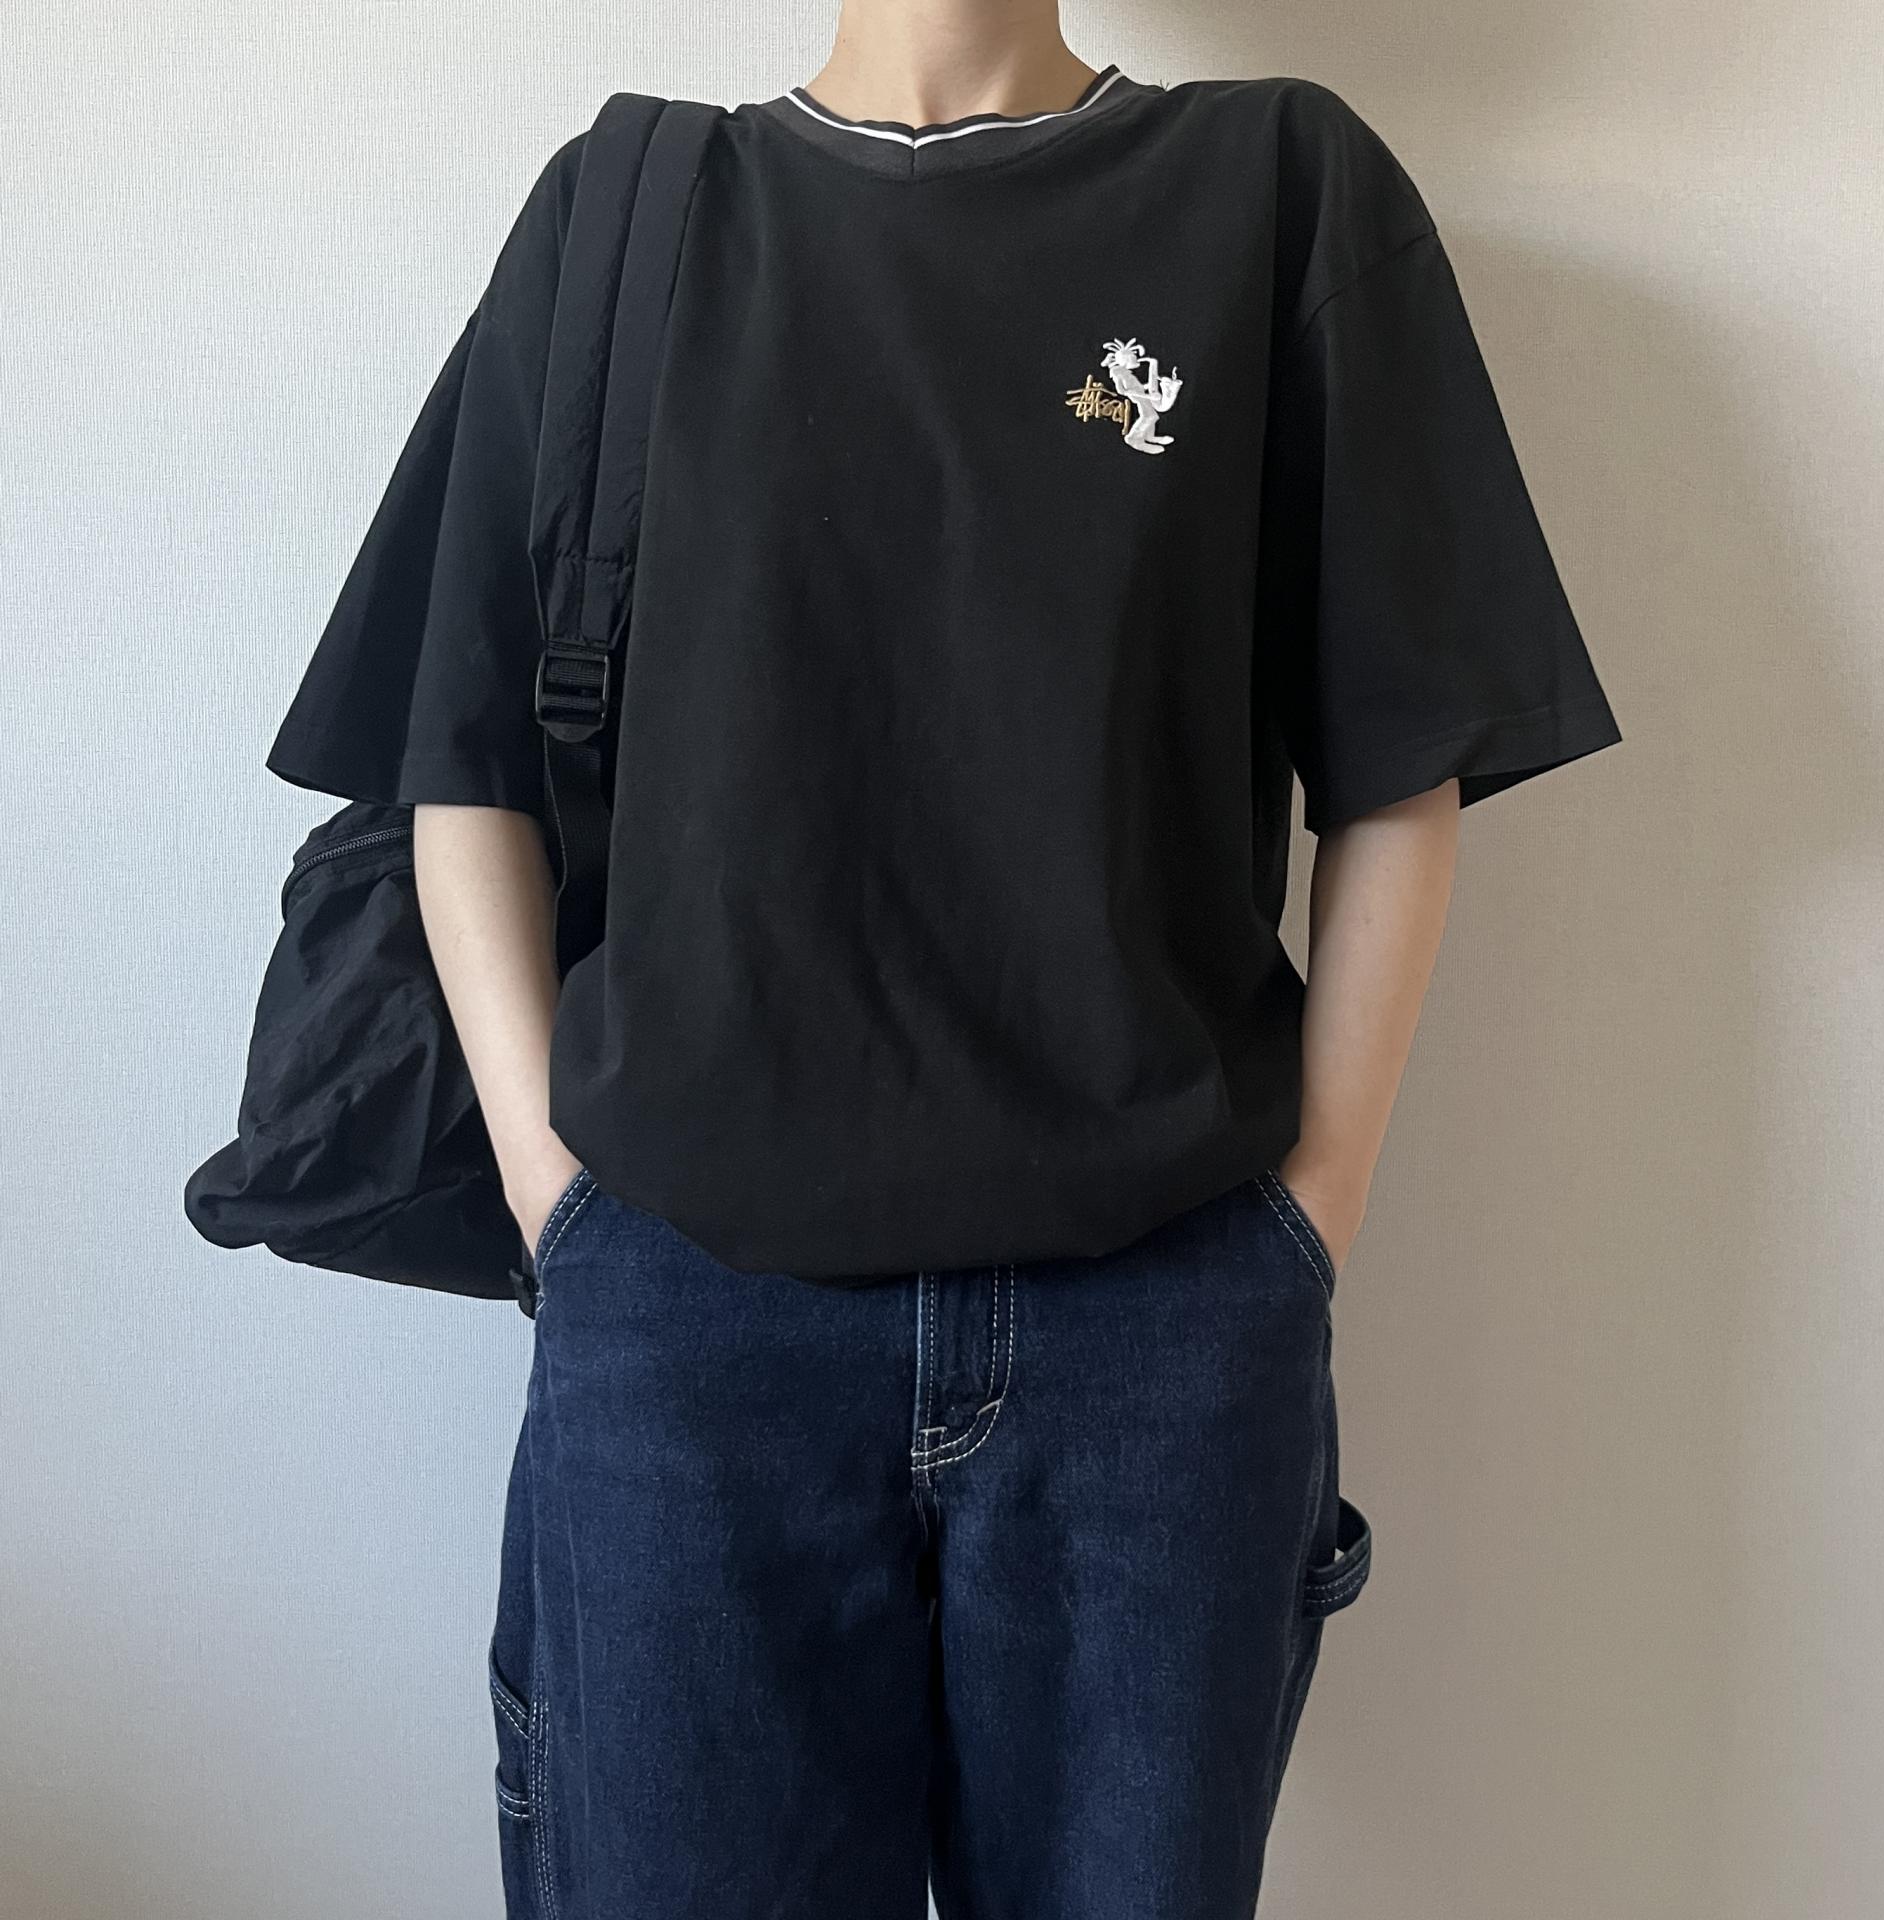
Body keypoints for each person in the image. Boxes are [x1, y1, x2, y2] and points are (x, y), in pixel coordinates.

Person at [262, 4, 1622, 1914]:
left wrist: (1306, 1216)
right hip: (691, 1326)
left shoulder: (1273, 189)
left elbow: (1404, 755)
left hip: (1155, 1331)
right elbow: (458, 752)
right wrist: (559, 1203)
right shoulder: (629, 212)